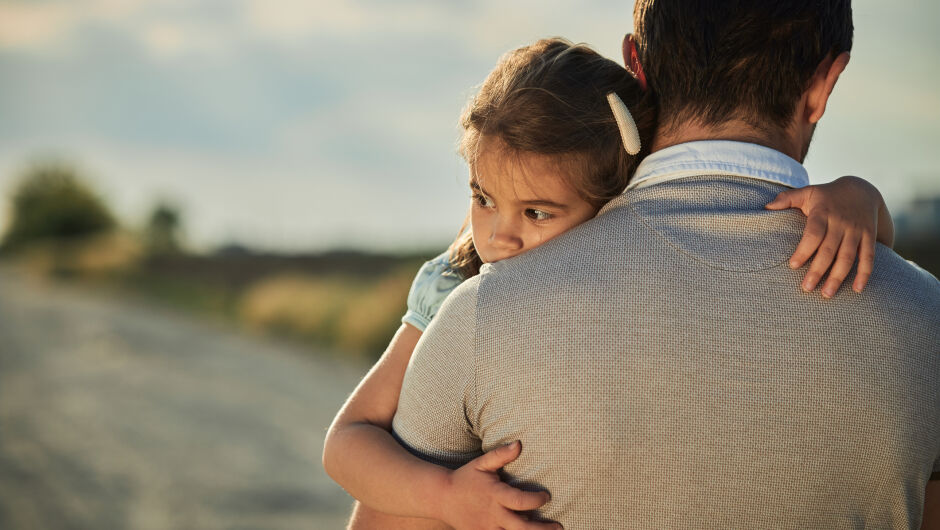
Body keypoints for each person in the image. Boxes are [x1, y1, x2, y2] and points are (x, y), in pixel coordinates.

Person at [322, 35, 908, 528]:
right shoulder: (453, 284)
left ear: (614, 205)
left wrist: (859, 197)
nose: (498, 236)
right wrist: (444, 497)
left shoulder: (614, 265)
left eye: (538, 212)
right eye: (482, 197)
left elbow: (873, 245)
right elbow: (348, 439)